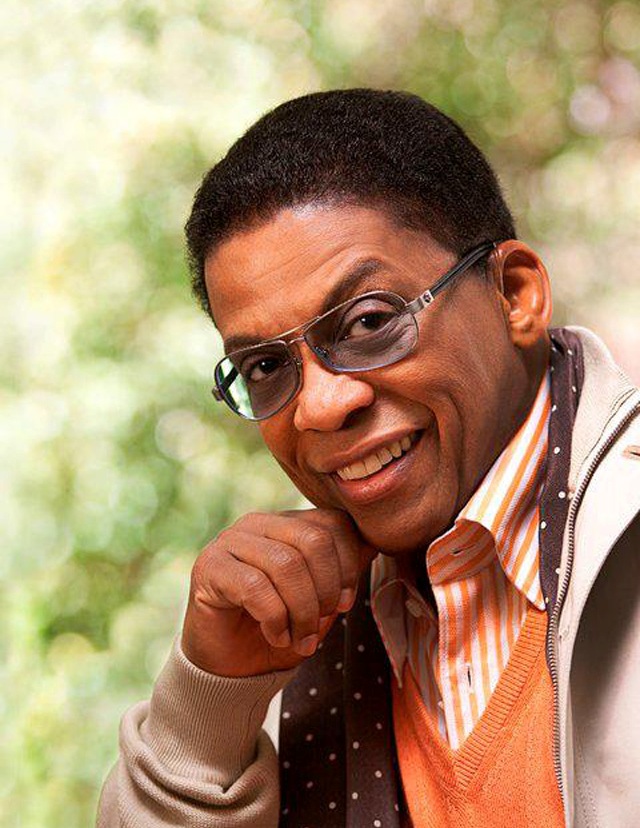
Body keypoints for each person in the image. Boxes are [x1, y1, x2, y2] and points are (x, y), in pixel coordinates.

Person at [96, 89, 640, 828]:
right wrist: (208, 702)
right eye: (265, 366)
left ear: (515, 294)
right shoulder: (281, 634)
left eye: (369, 321)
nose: (320, 407)